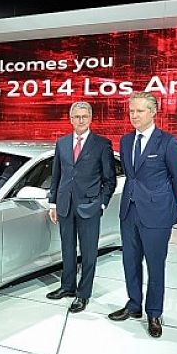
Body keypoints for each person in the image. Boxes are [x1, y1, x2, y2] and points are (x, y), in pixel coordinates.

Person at [108, 91, 177, 338]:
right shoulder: (125, 141)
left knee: (155, 266)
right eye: (131, 111)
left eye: (140, 111)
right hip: (129, 212)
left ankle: (154, 312)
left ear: (154, 112)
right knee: (130, 262)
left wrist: (167, 203)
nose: (134, 115)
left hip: (157, 214)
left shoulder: (169, 142)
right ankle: (134, 305)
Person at [46, 101, 116, 313]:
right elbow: (57, 175)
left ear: (91, 118)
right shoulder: (62, 143)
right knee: (67, 249)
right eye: (76, 117)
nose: (80, 120)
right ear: (70, 119)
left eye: (84, 116)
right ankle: (67, 286)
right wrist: (53, 203)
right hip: (65, 206)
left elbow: (109, 179)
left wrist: (101, 203)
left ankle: (83, 294)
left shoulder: (102, 144)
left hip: (90, 207)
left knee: (88, 253)